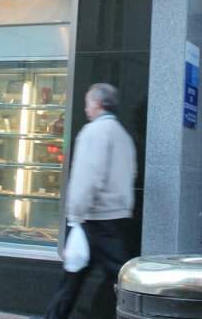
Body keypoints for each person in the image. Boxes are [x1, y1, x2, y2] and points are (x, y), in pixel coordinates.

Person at [43, 83, 137, 319]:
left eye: (87, 103)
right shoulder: (123, 135)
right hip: (116, 215)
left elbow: (86, 177)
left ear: (97, 103)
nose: (85, 108)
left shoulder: (93, 132)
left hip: (95, 217)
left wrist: (75, 216)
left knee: (82, 276)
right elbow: (131, 173)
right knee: (82, 276)